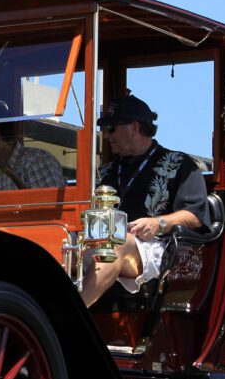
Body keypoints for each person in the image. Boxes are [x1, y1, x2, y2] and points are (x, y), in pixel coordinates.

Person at [79, 94, 209, 303]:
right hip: (102, 245)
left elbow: (195, 215)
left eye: (111, 128)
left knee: (114, 245)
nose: (106, 136)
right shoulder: (106, 171)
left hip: (156, 247)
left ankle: (71, 318)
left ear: (135, 127)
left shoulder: (179, 164)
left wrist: (159, 223)